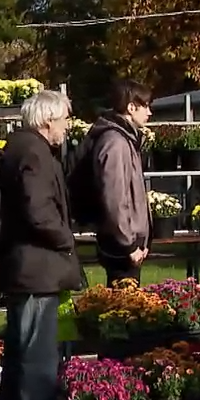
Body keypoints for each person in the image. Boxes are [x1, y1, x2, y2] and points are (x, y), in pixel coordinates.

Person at [0, 90, 84, 400]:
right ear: (47, 120)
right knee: (36, 361)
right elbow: (37, 209)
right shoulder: (33, 153)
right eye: (63, 119)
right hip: (36, 271)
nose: (66, 127)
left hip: (24, 268)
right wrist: (65, 238)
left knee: (20, 355)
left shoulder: (19, 148)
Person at [81, 79, 153, 285]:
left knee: (125, 307)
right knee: (123, 309)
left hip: (126, 241)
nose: (149, 113)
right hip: (121, 245)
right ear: (131, 107)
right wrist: (128, 245)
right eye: (145, 106)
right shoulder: (116, 142)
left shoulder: (125, 139)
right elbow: (114, 198)